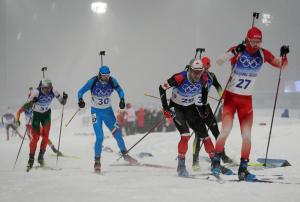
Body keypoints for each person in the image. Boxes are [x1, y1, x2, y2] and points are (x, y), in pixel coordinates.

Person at [211, 26, 289, 181]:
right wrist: (234, 52)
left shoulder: (262, 53)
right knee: (225, 130)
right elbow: (219, 61)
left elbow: (281, 65)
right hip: (231, 99)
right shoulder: (238, 50)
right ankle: (215, 163)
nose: (255, 45)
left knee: (247, 135)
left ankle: (243, 169)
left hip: (246, 101)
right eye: (252, 41)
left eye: (258, 42)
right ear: (247, 39)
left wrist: (284, 55)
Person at [159, 58, 224, 177]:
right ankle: (181, 165)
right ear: (190, 69)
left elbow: (204, 93)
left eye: (200, 72)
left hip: (190, 107)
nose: (197, 75)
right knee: (185, 135)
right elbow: (161, 88)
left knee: (205, 136)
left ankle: (215, 164)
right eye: (195, 71)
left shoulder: (203, 78)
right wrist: (166, 108)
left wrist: (203, 108)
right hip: (176, 108)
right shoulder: (180, 77)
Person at [77, 65, 137, 174]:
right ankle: (97, 162)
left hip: (108, 113)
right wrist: (80, 100)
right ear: (100, 75)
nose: (106, 78)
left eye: (107, 76)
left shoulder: (112, 81)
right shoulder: (93, 81)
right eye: (104, 76)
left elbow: (120, 90)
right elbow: (80, 91)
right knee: (100, 137)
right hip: (96, 113)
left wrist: (122, 99)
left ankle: (125, 155)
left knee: (117, 135)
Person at [192, 56, 233, 171]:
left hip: (206, 108)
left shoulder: (211, 76)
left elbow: (218, 87)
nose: (203, 70)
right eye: (201, 68)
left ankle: (223, 156)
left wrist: (223, 97)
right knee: (199, 135)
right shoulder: (194, 76)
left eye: (205, 67)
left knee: (217, 133)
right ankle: (195, 161)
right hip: (194, 108)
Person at [26, 78, 68, 171]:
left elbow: (62, 103)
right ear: (41, 87)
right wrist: (33, 101)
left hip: (46, 115)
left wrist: (65, 98)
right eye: (45, 88)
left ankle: (41, 157)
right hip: (36, 115)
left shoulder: (54, 91)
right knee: (36, 137)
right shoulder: (36, 92)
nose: (47, 90)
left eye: (49, 88)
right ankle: (31, 159)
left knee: (45, 136)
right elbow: (27, 105)